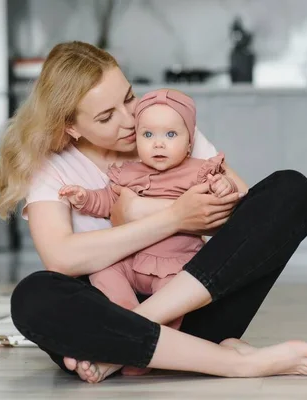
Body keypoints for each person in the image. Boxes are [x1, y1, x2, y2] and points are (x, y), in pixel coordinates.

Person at [0, 40, 307, 383]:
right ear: (71, 128)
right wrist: (172, 217)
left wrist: (145, 210)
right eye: (107, 117)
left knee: (291, 191)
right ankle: (234, 362)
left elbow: (244, 222)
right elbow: (61, 258)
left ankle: (125, 346)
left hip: (186, 311)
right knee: (33, 297)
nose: (130, 121)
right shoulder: (53, 167)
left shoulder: (165, 128)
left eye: (129, 98)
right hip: (105, 313)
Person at [59, 88, 239, 338]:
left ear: (189, 141)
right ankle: (126, 317)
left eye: (171, 134)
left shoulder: (198, 172)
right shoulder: (128, 173)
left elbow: (226, 200)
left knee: (175, 297)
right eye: (147, 134)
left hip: (174, 264)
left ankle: (146, 340)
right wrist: (84, 198)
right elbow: (108, 200)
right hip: (131, 260)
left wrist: (222, 186)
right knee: (103, 272)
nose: (158, 143)